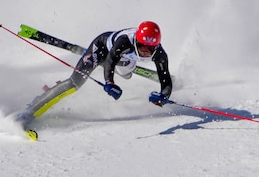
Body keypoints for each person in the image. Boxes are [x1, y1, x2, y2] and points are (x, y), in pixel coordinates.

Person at [17, 21, 172, 127]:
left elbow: (166, 80)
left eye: (150, 49)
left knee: (126, 75)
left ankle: (121, 69)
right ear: (136, 41)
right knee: (75, 83)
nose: (145, 52)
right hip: (102, 49)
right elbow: (111, 61)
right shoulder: (125, 41)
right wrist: (109, 82)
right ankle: (28, 112)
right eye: (142, 47)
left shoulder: (160, 54)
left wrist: (164, 96)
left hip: (123, 59)